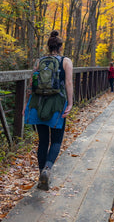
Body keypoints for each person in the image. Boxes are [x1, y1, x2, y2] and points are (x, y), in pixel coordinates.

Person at [24, 31, 73, 191]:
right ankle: (47, 169)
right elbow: (68, 83)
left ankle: (40, 175)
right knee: (57, 140)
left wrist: (27, 104)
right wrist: (70, 103)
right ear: (60, 47)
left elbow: (32, 83)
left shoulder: (39, 61)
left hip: (38, 103)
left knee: (43, 141)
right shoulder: (66, 61)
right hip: (57, 103)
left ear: (48, 46)